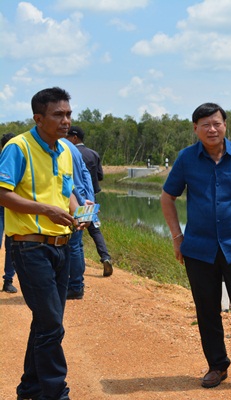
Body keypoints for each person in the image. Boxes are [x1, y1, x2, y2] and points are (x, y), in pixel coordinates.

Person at [160, 102, 231, 396]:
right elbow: (167, 197)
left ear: (225, 125)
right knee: (206, 309)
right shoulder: (186, 158)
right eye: (205, 125)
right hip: (198, 249)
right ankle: (217, 365)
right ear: (195, 129)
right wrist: (177, 237)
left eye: (217, 123)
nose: (212, 129)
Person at [0, 87, 86, 400]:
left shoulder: (65, 150)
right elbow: (2, 193)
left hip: (62, 245)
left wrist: (79, 213)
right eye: (58, 115)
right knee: (51, 324)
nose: (66, 121)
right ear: (38, 118)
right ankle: (55, 392)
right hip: (30, 246)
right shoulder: (18, 147)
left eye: (68, 114)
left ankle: (30, 389)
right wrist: (46, 210)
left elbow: (67, 191)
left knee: (46, 322)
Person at [66, 126, 113, 277]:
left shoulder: (68, 151)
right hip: (90, 198)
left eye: (67, 136)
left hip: (76, 198)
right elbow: (100, 176)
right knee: (94, 230)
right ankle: (105, 257)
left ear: (74, 138)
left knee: (75, 239)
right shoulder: (93, 153)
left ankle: (75, 277)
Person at [60, 136, 95, 299]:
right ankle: (77, 284)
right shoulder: (73, 147)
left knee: (72, 245)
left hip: (72, 199)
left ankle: (75, 286)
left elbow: (66, 180)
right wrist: (89, 201)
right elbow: (86, 174)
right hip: (82, 198)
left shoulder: (59, 147)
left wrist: (81, 201)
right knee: (77, 245)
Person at [1, 132, 17, 293]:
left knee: (12, 245)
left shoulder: (18, 161)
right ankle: (8, 280)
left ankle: (8, 280)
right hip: (6, 207)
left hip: (13, 208)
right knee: (11, 246)